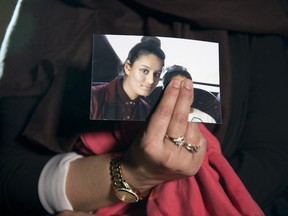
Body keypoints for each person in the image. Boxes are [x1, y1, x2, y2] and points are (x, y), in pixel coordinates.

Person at [1, 1, 288, 216]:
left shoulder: (258, 15)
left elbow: (270, 161)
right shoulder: (57, 7)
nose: (149, 81)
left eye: (156, 74)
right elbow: (9, 171)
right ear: (126, 66)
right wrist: (135, 172)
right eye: (143, 71)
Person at [90, 36, 165, 121]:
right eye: (145, 71)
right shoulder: (93, 98)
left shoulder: (146, 109)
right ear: (128, 67)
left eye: (157, 74)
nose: (151, 81)